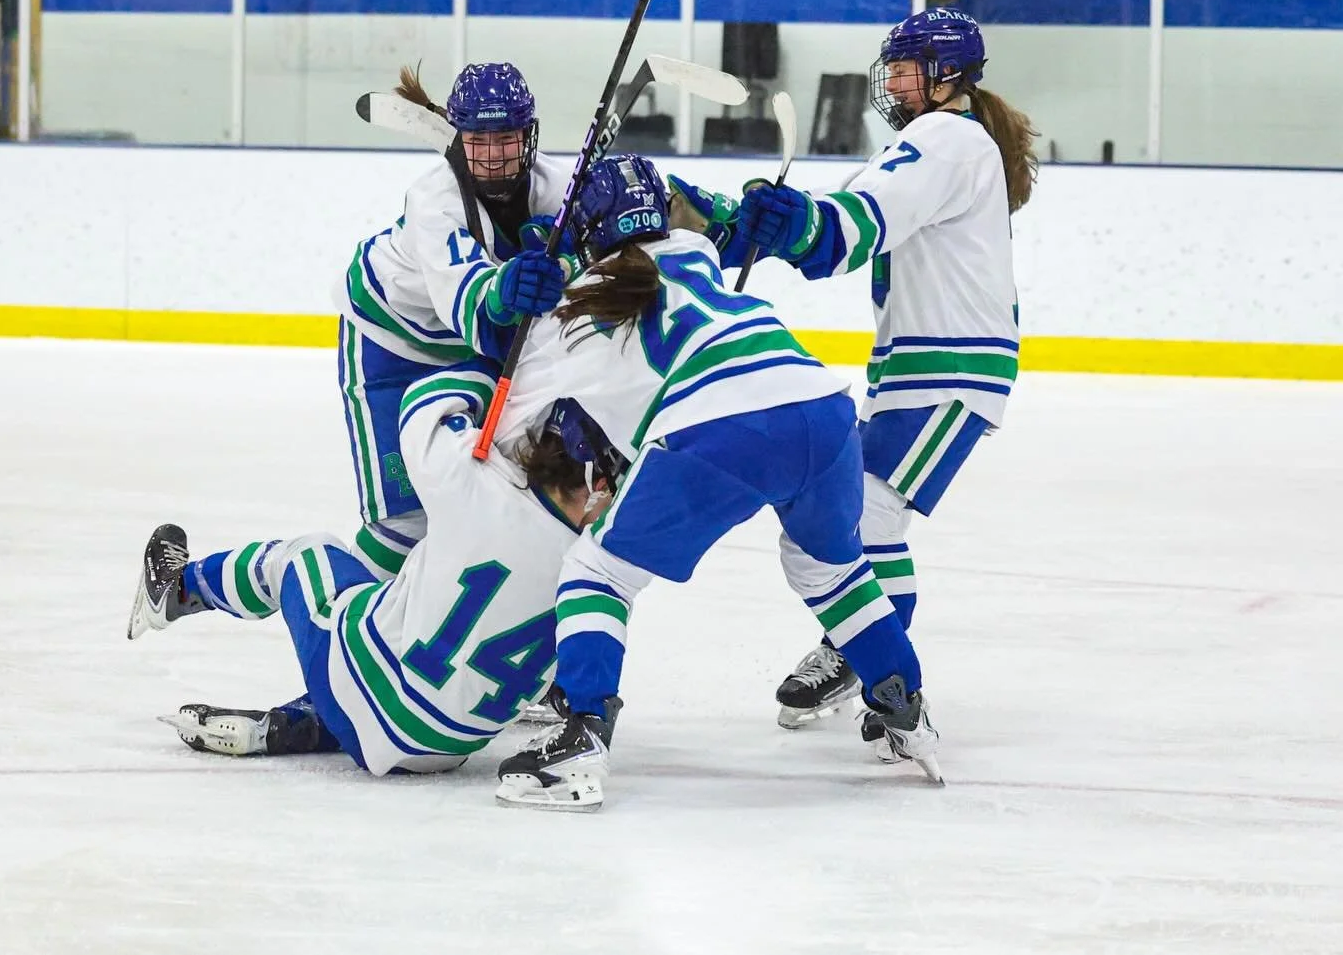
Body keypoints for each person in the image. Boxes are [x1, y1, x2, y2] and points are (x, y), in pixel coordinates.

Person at [482, 153, 938, 812]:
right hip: (823, 404)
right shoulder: (695, 248)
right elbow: (708, 216)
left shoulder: (583, 306)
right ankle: (906, 710)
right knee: (832, 572)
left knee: (597, 570)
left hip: (720, 424)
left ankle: (580, 739)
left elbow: (601, 433)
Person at [720, 7, 1038, 743]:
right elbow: (840, 219)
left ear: (948, 75)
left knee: (862, 519)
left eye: (906, 68)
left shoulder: (948, 140)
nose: (892, 81)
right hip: (919, 371)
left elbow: (852, 226)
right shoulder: (932, 141)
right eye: (891, 67)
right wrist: (742, 222)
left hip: (952, 370)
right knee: (841, 515)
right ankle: (862, 647)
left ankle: (876, 664)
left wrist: (798, 227)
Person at [126, 363, 617, 776]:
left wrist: (495, 374)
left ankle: (180, 588)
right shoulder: (600, 564)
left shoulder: (475, 486)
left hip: (362, 684)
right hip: (446, 754)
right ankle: (313, 720)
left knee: (302, 555)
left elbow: (425, 400)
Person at [336, 62, 571, 581]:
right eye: (478, 139)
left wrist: (724, 226)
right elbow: (472, 308)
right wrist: (508, 288)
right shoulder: (434, 200)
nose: (491, 155)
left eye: (505, 137)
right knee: (404, 526)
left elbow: (634, 224)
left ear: (529, 136)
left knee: (495, 495)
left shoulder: (557, 184)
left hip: (467, 349)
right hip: (388, 343)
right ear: (458, 137)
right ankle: (342, 615)